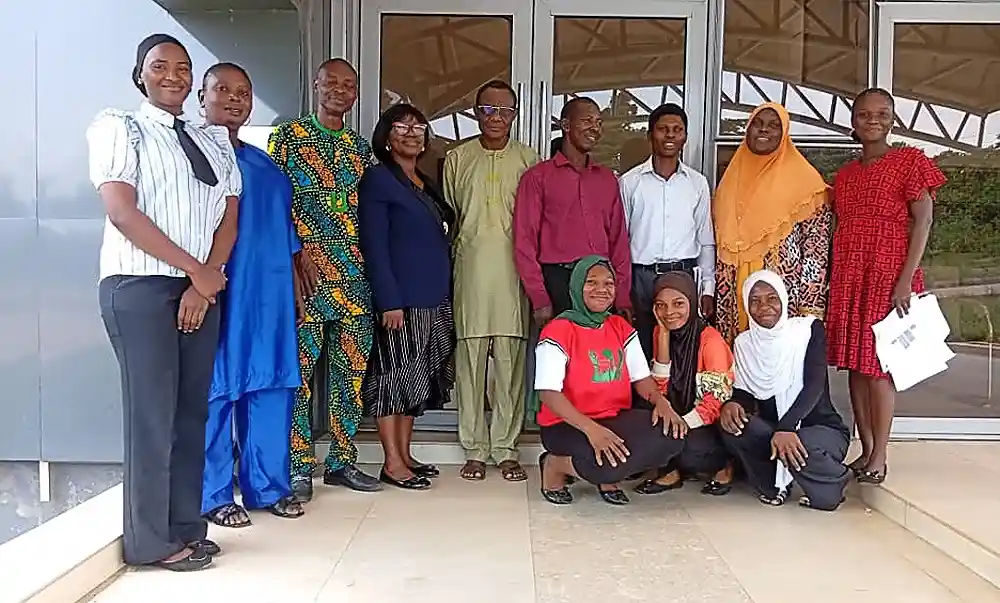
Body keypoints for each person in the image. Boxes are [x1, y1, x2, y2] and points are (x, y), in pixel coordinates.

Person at [87, 34, 241, 571]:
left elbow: (228, 214)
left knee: (190, 413)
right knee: (152, 415)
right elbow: (122, 211)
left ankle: (184, 526)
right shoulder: (119, 127)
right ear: (140, 74)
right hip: (141, 286)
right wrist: (194, 271)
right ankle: (149, 542)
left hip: (201, 286)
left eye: (182, 67)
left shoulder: (212, 138)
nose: (172, 75)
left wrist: (204, 280)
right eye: (160, 66)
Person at [196, 63, 304, 527]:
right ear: (202, 97)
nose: (234, 99)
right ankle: (214, 494)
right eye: (223, 90)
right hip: (220, 292)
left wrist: (296, 286)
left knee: (271, 386)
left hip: (270, 296)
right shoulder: (192, 156)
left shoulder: (266, 166)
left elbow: (284, 232)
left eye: (243, 92)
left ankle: (268, 487)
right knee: (216, 393)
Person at [267, 58, 380, 500]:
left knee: (349, 374)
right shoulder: (289, 139)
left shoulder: (359, 148)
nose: (339, 89)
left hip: (354, 278)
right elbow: (275, 203)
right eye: (331, 82)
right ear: (316, 85)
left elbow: (371, 214)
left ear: (356, 94)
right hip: (306, 279)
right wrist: (294, 259)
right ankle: (297, 465)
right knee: (300, 373)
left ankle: (342, 461)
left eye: (348, 84)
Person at [827, 88, 945, 485]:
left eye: (881, 114)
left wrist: (905, 281)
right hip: (850, 274)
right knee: (857, 369)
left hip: (888, 274)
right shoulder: (845, 174)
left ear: (893, 119)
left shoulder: (910, 161)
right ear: (853, 120)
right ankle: (865, 448)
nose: (872, 120)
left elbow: (923, 221)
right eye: (864, 114)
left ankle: (880, 454)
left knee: (880, 368)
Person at [443, 81, 540, 482]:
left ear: (514, 115)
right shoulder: (457, 158)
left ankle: (505, 448)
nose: (496, 118)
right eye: (488, 110)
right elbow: (452, 210)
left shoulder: (529, 160)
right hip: (470, 271)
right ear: (475, 112)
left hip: (513, 275)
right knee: (470, 364)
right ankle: (474, 448)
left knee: (510, 366)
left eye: (504, 111)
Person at [358, 104, 457, 490]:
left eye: (419, 127)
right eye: (402, 127)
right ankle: (392, 462)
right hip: (402, 300)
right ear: (386, 135)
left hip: (433, 296)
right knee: (392, 377)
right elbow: (375, 246)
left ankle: (406, 452)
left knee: (414, 378)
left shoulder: (422, 181)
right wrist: (389, 300)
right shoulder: (379, 180)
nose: (411, 133)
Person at [535, 256, 687, 506]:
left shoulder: (620, 326)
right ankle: (555, 466)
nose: (601, 290)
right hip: (565, 424)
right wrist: (592, 430)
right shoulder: (558, 330)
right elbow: (549, 394)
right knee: (606, 463)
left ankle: (606, 472)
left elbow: (642, 379)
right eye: (591, 282)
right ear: (576, 286)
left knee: (672, 435)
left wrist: (661, 401)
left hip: (612, 417)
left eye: (609, 283)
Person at [719, 270, 851, 510]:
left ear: (783, 299)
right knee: (734, 427)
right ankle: (773, 485)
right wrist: (733, 405)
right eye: (755, 301)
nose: (764, 307)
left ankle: (834, 481)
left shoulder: (808, 330)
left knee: (802, 443)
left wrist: (787, 427)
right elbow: (746, 394)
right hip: (776, 432)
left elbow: (814, 384)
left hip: (821, 431)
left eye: (772, 298)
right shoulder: (744, 343)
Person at [713, 102, 832, 345]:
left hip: (784, 299)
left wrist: (809, 310)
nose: (763, 130)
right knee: (739, 364)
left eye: (773, 125)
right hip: (734, 299)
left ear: (784, 132)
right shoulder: (729, 180)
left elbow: (815, 253)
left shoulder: (806, 182)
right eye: (757, 124)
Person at [513, 96, 632, 328]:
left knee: (597, 358)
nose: (595, 128)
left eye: (598, 122)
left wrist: (622, 294)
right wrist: (539, 298)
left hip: (598, 283)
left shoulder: (607, 180)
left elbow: (618, 241)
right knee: (557, 358)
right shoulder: (537, 177)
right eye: (587, 120)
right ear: (566, 126)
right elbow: (524, 242)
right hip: (558, 282)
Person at [619, 103, 715, 360]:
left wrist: (707, 288)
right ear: (650, 135)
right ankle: (647, 400)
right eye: (662, 129)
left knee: (684, 350)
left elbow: (706, 240)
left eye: (677, 130)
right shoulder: (630, 182)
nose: (670, 135)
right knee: (642, 346)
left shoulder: (697, 183)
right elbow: (620, 240)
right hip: (642, 279)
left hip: (683, 275)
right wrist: (622, 290)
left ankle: (680, 401)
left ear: (685, 136)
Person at [634, 271, 736, 496]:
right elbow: (659, 389)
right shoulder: (662, 332)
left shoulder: (711, 341)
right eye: (661, 305)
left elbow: (714, 404)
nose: (669, 312)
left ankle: (722, 466)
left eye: (678, 303)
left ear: (691, 301)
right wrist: (662, 336)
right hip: (679, 416)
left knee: (684, 446)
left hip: (708, 425)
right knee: (641, 423)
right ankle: (674, 470)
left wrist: (678, 424)